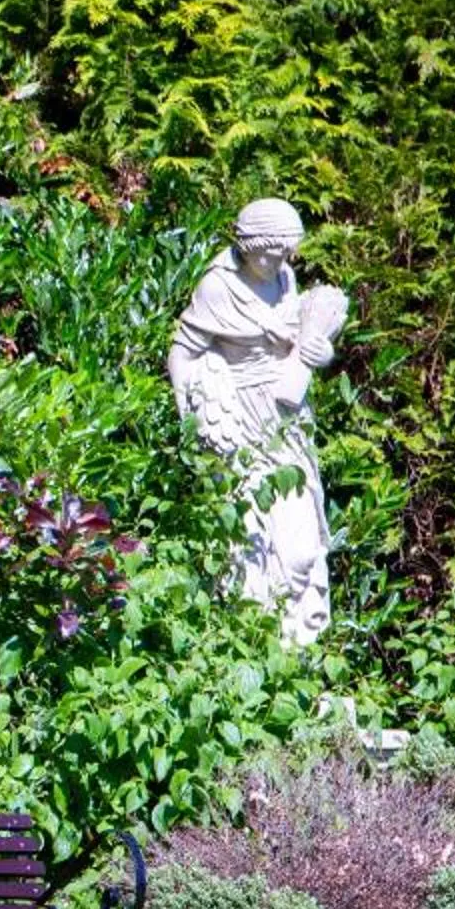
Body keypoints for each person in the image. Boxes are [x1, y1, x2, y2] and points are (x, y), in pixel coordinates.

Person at [166, 197, 348, 645]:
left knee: (304, 541)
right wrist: (194, 416)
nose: (281, 261)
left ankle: (301, 650)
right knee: (251, 537)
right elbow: (182, 352)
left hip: (287, 418)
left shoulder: (284, 277)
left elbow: (299, 345)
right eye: (272, 252)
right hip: (242, 419)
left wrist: (319, 353)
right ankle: (259, 648)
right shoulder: (218, 287)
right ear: (248, 246)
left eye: (287, 252)